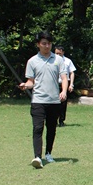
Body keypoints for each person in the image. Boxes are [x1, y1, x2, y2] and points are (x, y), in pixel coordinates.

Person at [19, 31, 68, 169]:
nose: (47, 46)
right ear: (38, 44)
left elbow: (64, 78)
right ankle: (37, 157)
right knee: (37, 128)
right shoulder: (32, 61)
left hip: (54, 101)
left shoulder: (58, 60)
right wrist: (25, 86)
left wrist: (64, 91)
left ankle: (48, 153)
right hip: (38, 100)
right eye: (44, 43)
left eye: (49, 43)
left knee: (51, 128)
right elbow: (31, 81)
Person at [54, 45, 76, 127]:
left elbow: (72, 72)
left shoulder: (68, 61)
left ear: (63, 52)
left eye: (59, 53)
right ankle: (53, 120)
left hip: (64, 84)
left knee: (63, 104)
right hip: (54, 84)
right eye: (56, 53)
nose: (57, 55)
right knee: (53, 103)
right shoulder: (52, 60)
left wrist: (71, 84)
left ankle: (61, 120)